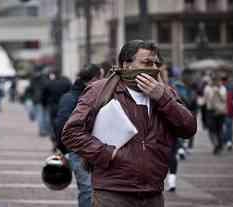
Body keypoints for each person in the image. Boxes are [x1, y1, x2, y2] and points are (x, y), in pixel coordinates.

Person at [61, 40, 197, 207]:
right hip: (112, 191)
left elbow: (189, 128)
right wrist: (107, 153)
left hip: (152, 192)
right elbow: (71, 133)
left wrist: (163, 98)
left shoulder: (165, 92)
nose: (153, 68)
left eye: (156, 63)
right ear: (126, 64)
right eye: (146, 62)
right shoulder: (100, 90)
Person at [54, 64, 106, 207]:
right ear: (94, 79)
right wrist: (62, 148)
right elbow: (61, 124)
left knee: (95, 189)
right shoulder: (71, 98)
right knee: (87, 188)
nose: (104, 81)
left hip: (97, 148)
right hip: (78, 150)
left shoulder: (97, 95)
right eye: (102, 77)